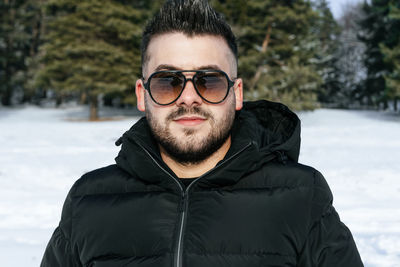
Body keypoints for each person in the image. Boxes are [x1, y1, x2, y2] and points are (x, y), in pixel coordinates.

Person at [41, 0, 364, 266]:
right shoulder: (89, 200)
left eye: (209, 80)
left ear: (237, 93)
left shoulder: (300, 195)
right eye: (168, 82)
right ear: (142, 94)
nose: (189, 97)